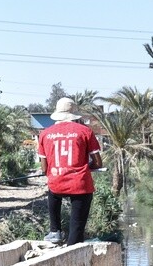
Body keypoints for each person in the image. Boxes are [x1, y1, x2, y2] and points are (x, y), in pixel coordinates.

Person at [36, 97, 103, 245]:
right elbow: (98, 162)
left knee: (53, 193)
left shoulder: (45, 134)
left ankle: (55, 231)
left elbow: (44, 168)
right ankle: (72, 247)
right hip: (80, 185)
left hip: (56, 183)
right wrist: (86, 166)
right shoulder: (85, 131)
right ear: (74, 114)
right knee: (77, 229)